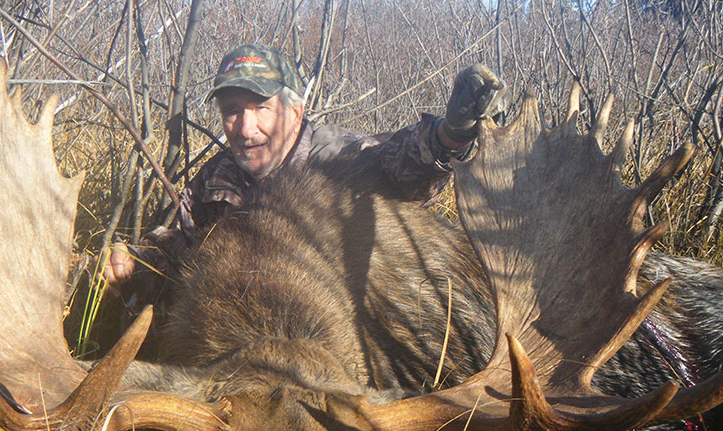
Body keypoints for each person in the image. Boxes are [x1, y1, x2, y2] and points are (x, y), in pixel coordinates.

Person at [100, 44, 502, 300]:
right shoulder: (216, 177)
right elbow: (178, 244)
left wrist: (450, 134)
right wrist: (135, 260)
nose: (244, 128)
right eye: (231, 112)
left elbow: (405, 165)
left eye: (259, 109)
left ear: (295, 112)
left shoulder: (341, 156)